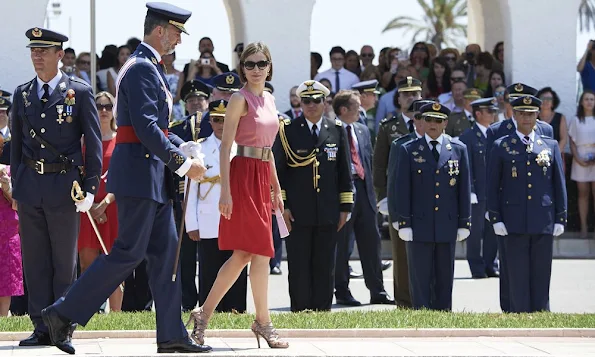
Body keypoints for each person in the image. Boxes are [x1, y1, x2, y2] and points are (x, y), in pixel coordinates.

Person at [40, 3, 211, 354]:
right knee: (127, 254)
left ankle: (171, 334)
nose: (179, 39)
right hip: (138, 175)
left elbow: (157, 127)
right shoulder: (141, 69)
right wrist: (182, 163)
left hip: (150, 176)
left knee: (166, 258)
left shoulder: (149, 67)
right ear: (160, 30)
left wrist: (187, 146)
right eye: (176, 32)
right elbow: (146, 130)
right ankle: (61, 314)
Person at [186, 42, 288, 349]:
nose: (256, 69)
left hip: (261, 175)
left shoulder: (269, 98)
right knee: (249, 252)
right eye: (250, 64)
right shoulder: (237, 100)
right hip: (242, 175)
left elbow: (268, 150)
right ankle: (259, 322)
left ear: (270, 66)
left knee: (257, 253)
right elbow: (226, 147)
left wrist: (276, 187)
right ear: (241, 68)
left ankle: (208, 316)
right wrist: (226, 193)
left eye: (261, 63)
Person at [10, 27, 102, 347]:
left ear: (59, 55)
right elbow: (17, 147)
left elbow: (93, 142)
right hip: (31, 186)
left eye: (44, 51)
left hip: (65, 186)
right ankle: (40, 326)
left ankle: (62, 324)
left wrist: (90, 189)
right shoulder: (22, 94)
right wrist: (17, 188)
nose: (37, 56)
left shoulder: (79, 91)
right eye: (33, 51)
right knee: (35, 260)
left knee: (64, 261)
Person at [273, 80, 353, 312]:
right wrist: (283, 206)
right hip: (297, 211)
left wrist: (345, 208)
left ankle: (322, 309)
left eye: (316, 100)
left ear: (325, 102)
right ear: (300, 102)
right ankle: (300, 308)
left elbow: (344, 172)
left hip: (328, 210)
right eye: (306, 101)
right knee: (298, 263)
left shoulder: (336, 130)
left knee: (325, 263)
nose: (311, 105)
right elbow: (280, 172)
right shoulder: (288, 130)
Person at [487, 95, 567, 313]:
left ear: (537, 115)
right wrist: (495, 217)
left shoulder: (549, 145)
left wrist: (561, 216)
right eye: (521, 113)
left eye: (530, 113)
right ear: (514, 114)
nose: (526, 117)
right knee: (516, 272)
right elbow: (493, 185)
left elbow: (558, 183)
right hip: (512, 220)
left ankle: (541, 312)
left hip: (543, 219)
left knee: (541, 272)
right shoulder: (501, 145)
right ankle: (518, 313)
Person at [395, 102, 471, 310]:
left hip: (447, 223)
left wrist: (465, 222)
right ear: (422, 121)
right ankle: (421, 314)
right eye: (428, 119)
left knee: (445, 276)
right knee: (419, 277)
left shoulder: (458, 149)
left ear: (445, 122)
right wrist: (404, 223)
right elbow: (403, 189)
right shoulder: (409, 150)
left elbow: (463, 189)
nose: (432, 124)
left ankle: (443, 314)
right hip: (419, 224)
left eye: (438, 120)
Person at [185, 99, 248, 313]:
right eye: (216, 120)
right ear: (209, 122)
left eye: (225, 119)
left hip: (236, 218)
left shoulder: (242, 146)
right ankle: (208, 311)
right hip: (208, 218)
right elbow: (191, 190)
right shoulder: (200, 148)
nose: (221, 125)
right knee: (209, 268)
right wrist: (191, 223)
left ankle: (236, 310)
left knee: (237, 266)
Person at [333, 90, 394, 307]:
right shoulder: (332, 130)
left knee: (372, 244)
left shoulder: (362, 130)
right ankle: (342, 290)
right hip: (344, 194)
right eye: (356, 105)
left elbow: (369, 163)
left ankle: (377, 290)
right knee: (342, 246)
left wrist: (374, 194)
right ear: (343, 110)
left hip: (365, 194)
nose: (360, 109)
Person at [77, 92, 122, 312]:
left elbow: (126, 177)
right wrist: (92, 205)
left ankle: (115, 316)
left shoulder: (121, 139)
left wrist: (104, 204)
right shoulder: (83, 139)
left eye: (108, 106)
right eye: (99, 106)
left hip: (113, 208)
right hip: (86, 208)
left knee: (114, 266)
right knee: (87, 264)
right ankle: (89, 312)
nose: (103, 110)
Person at [386, 99, 433, 307]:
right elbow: (393, 183)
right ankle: (405, 303)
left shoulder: (444, 143)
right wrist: (395, 216)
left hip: (433, 212)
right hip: (408, 213)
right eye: (422, 117)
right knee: (404, 262)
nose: (426, 122)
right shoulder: (401, 144)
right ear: (415, 120)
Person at [458, 98, 499, 279]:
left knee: (493, 230)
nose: (493, 114)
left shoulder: (496, 135)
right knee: (475, 232)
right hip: (477, 193)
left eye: (493, 111)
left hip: (494, 192)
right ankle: (476, 266)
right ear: (478, 114)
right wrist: (471, 190)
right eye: (489, 111)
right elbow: (466, 167)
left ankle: (491, 264)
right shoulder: (468, 137)